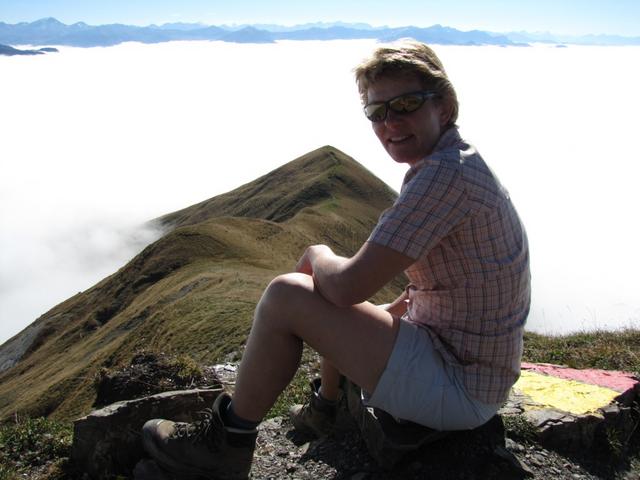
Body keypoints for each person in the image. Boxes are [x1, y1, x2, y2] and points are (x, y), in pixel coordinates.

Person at [141, 40, 531, 479]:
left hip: (461, 386)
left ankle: (225, 446)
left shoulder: (444, 176)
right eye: (377, 112)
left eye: (406, 104)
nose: (390, 122)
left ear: (444, 106)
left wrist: (317, 253)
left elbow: (345, 288)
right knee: (335, 300)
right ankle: (326, 408)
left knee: (288, 294)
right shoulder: (454, 162)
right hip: (466, 366)